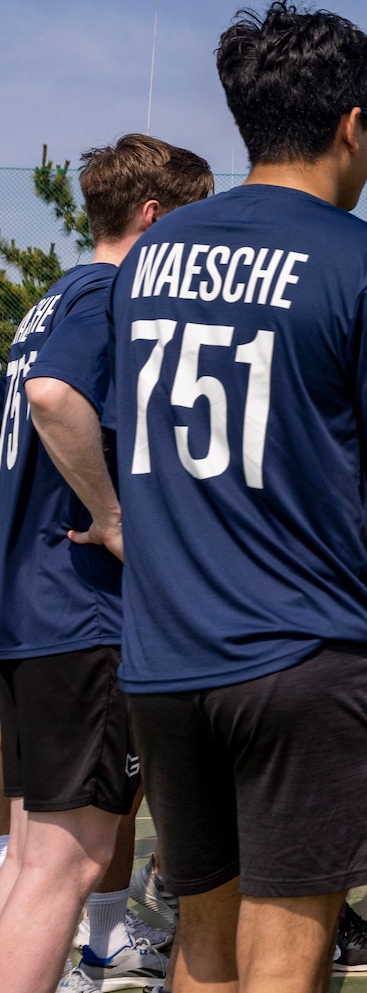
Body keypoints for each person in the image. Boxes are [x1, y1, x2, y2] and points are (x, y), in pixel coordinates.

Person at [83, 0, 367, 986]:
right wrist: (366, 620)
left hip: (164, 662)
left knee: (200, 947)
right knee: (288, 957)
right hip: (303, 652)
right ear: (351, 125)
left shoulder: (151, 258)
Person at [0, 135, 210, 993]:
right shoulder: (111, 292)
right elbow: (56, 398)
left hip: (31, 615)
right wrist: (112, 515)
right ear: (154, 218)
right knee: (65, 869)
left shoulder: (46, 301)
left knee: (29, 864)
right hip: (81, 615)